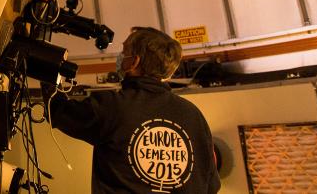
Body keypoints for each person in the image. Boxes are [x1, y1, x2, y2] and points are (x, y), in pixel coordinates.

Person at [45, 27, 220, 193]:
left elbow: (57, 110)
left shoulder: (115, 106)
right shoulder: (194, 115)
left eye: (124, 51)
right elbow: (212, 185)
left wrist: (45, 62)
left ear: (134, 62)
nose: (120, 56)